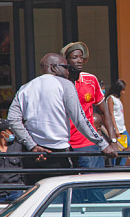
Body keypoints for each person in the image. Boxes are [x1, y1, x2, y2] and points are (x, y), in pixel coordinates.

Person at [7, 53, 118, 184]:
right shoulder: (65, 85)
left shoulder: (25, 88)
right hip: (57, 154)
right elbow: (80, 120)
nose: (68, 71)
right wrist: (103, 144)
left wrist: (32, 146)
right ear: (53, 67)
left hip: (33, 154)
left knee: (37, 196)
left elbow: (13, 119)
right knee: (62, 198)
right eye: (65, 67)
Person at [60, 42, 117, 169]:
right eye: (75, 58)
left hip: (87, 144)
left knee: (93, 185)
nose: (79, 61)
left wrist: (113, 140)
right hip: (63, 144)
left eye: (81, 57)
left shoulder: (91, 80)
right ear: (66, 61)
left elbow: (104, 112)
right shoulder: (59, 84)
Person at [105, 79, 130, 166]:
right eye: (123, 90)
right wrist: (115, 129)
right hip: (116, 129)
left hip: (122, 128)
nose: (124, 92)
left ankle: (120, 166)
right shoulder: (111, 98)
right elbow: (111, 114)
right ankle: (114, 168)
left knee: (128, 147)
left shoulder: (117, 99)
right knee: (116, 149)